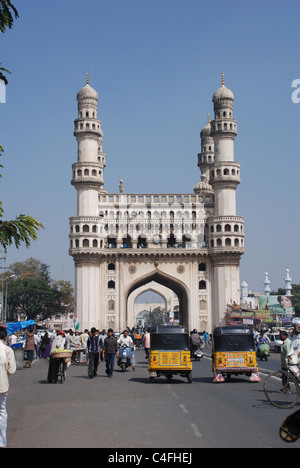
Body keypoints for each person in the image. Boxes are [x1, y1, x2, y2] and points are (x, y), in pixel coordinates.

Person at [0, 326, 16, 448]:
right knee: (2, 412)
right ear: (5, 337)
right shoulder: (7, 350)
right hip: (2, 385)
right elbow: (11, 370)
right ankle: (2, 442)